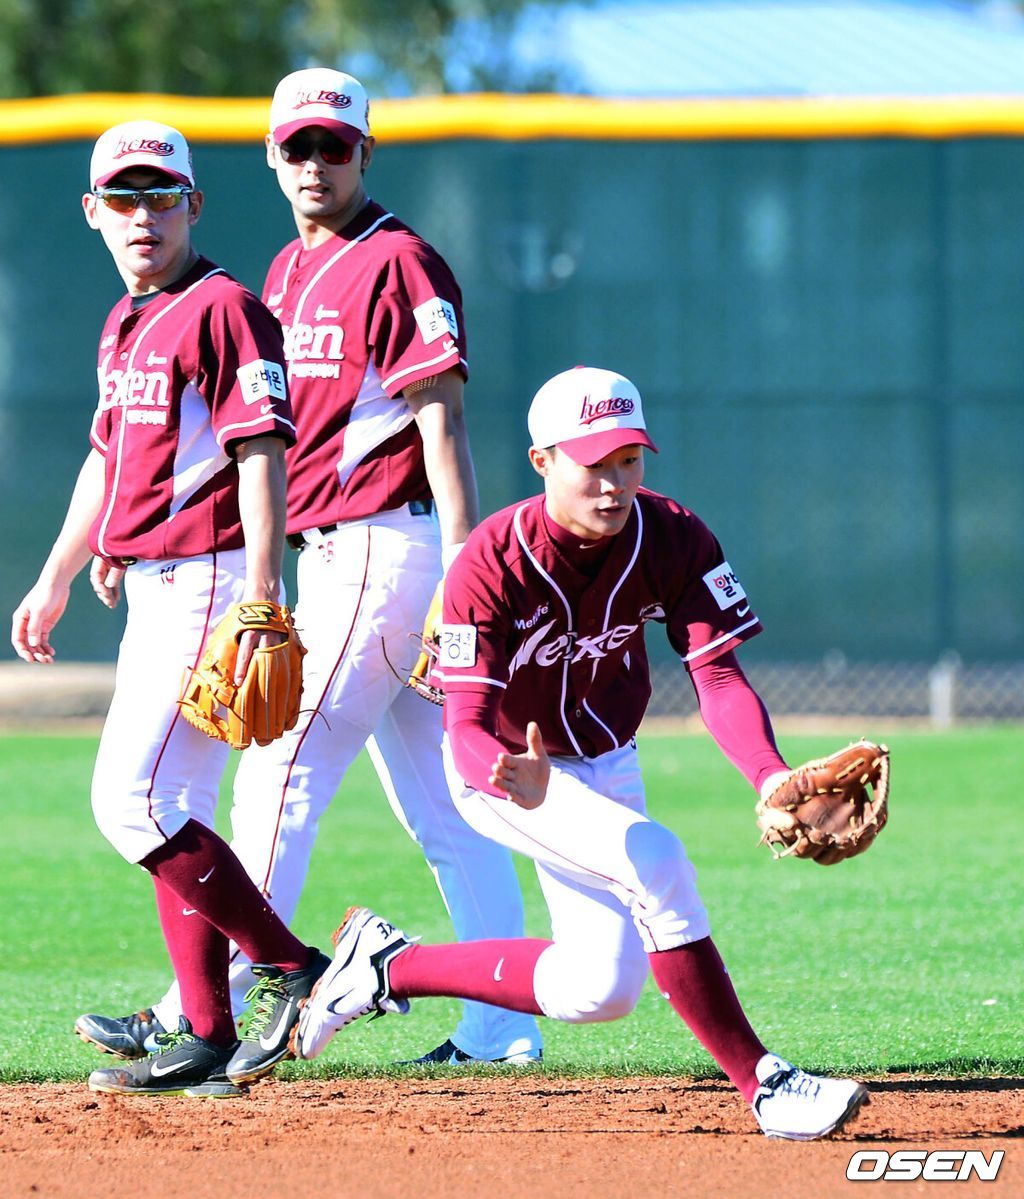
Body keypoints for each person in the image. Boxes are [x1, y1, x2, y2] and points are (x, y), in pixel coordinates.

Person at [75, 70, 541, 1067]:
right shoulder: (285, 270)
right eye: (298, 147)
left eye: (335, 145)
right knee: (447, 801)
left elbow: (442, 416)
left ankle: (228, 1000)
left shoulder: (401, 259)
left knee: (276, 771)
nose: (316, 164)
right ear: (273, 157)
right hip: (334, 547)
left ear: (365, 152)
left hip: (386, 545)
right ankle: (502, 1024)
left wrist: (464, 566)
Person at [293, 366, 870, 1140]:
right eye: (592, 460)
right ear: (544, 461)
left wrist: (769, 776)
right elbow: (462, 724)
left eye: (628, 458)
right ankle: (767, 1085)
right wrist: (509, 773)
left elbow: (719, 673)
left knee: (601, 988)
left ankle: (386, 966)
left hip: (605, 758)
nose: (614, 481)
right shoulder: (487, 560)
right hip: (503, 774)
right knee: (659, 863)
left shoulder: (673, 534)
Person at [11, 120, 330, 1097]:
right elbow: (111, 456)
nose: (142, 215)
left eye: (160, 196)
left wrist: (264, 590)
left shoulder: (224, 306)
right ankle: (204, 1028)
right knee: (175, 806)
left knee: (130, 801)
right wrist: (66, 566)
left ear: (192, 204)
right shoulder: (125, 319)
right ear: (92, 213)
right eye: (123, 198)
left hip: (210, 577)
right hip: (150, 579)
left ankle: (288, 962)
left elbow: (260, 452)